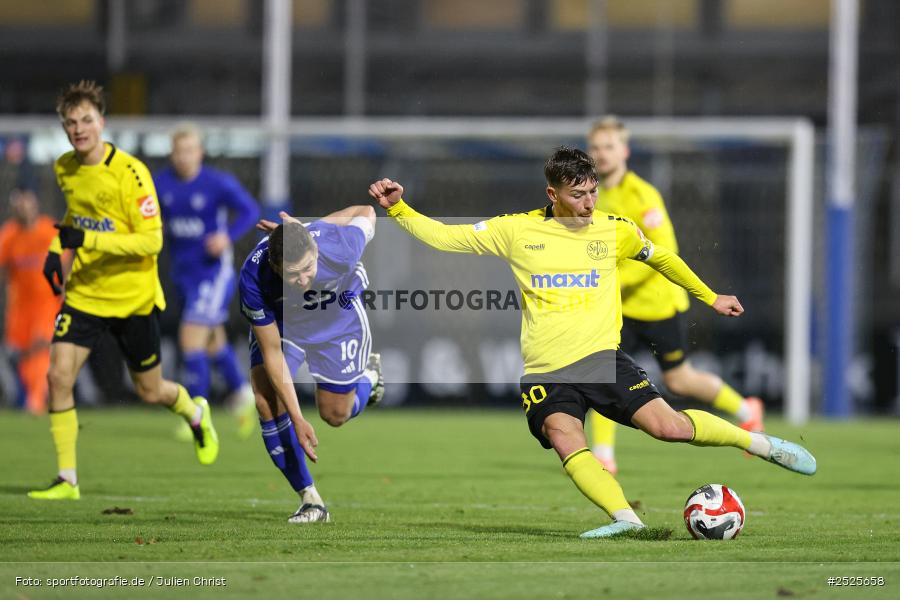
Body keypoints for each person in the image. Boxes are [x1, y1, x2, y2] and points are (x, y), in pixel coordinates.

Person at [370, 147, 816, 538]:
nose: (588, 203)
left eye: (593, 192)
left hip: (601, 359)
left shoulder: (614, 230)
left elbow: (661, 256)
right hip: (545, 370)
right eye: (577, 195)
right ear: (553, 195)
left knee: (669, 428)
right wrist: (399, 209)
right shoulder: (517, 231)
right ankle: (627, 520)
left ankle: (760, 444)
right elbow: (446, 237)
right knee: (565, 438)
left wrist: (710, 296)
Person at [28, 80, 219, 501]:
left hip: (133, 299)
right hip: (85, 295)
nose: (79, 129)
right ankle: (67, 479)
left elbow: (151, 241)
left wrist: (86, 242)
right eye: (71, 122)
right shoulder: (65, 168)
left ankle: (194, 412)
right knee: (58, 376)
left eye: (86, 120)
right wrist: (54, 247)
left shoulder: (131, 173)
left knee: (150, 391)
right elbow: (75, 218)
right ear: (64, 128)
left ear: (102, 122)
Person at [584, 116, 764, 473]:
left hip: (657, 304)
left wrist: (612, 280)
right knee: (602, 370)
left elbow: (663, 249)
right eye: (595, 147)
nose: (601, 154)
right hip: (618, 308)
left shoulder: (642, 195)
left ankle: (746, 410)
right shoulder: (592, 194)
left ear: (625, 151)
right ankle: (604, 455)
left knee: (679, 379)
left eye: (608, 147)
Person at [240, 206, 383, 523]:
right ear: (275, 266)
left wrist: (309, 226)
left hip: (336, 321)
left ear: (315, 249)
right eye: (292, 275)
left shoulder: (338, 245)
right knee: (266, 399)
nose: (303, 279)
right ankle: (310, 499)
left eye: (308, 268)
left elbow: (367, 211)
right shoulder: (254, 277)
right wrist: (297, 418)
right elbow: (272, 354)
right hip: (287, 325)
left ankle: (369, 380)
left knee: (335, 415)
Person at [155, 124, 260, 438]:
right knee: (213, 342)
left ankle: (197, 414)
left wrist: (226, 237)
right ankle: (242, 394)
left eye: (190, 150)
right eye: (178, 151)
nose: (184, 157)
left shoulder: (217, 183)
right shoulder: (161, 184)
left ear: (200, 152)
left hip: (213, 274)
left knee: (190, 339)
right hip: (184, 275)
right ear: (172, 154)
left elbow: (249, 210)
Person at [0, 187, 62, 414]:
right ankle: (32, 397)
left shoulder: (49, 231)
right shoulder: (9, 235)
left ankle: (36, 400)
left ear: (34, 203)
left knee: (40, 346)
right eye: (18, 203)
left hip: (46, 303)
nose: (23, 207)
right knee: (23, 353)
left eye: (26, 201)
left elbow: (64, 267)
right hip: (19, 307)